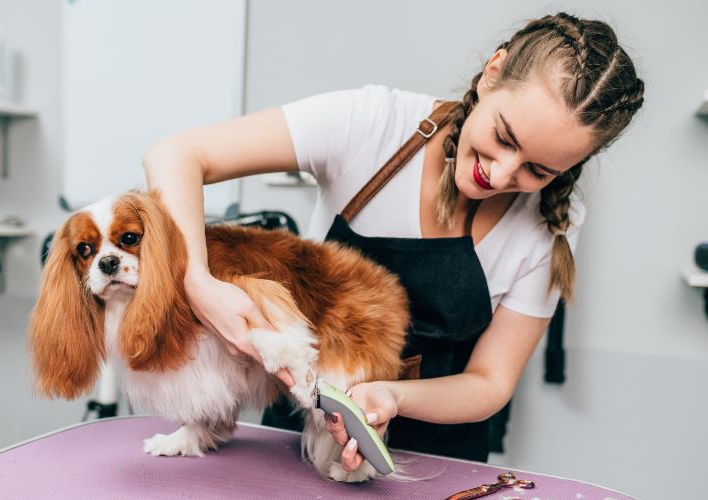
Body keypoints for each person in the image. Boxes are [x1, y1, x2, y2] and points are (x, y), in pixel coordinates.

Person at [142, 12, 644, 471]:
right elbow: (177, 155)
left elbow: (490, 382)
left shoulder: (554, 220)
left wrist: (392, 398)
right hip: (298, 436)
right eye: (505, 137)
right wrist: (200, 286)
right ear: (494, 71)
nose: (500, 172)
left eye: (538, 169)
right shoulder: (371, 124)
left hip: (443, 457)